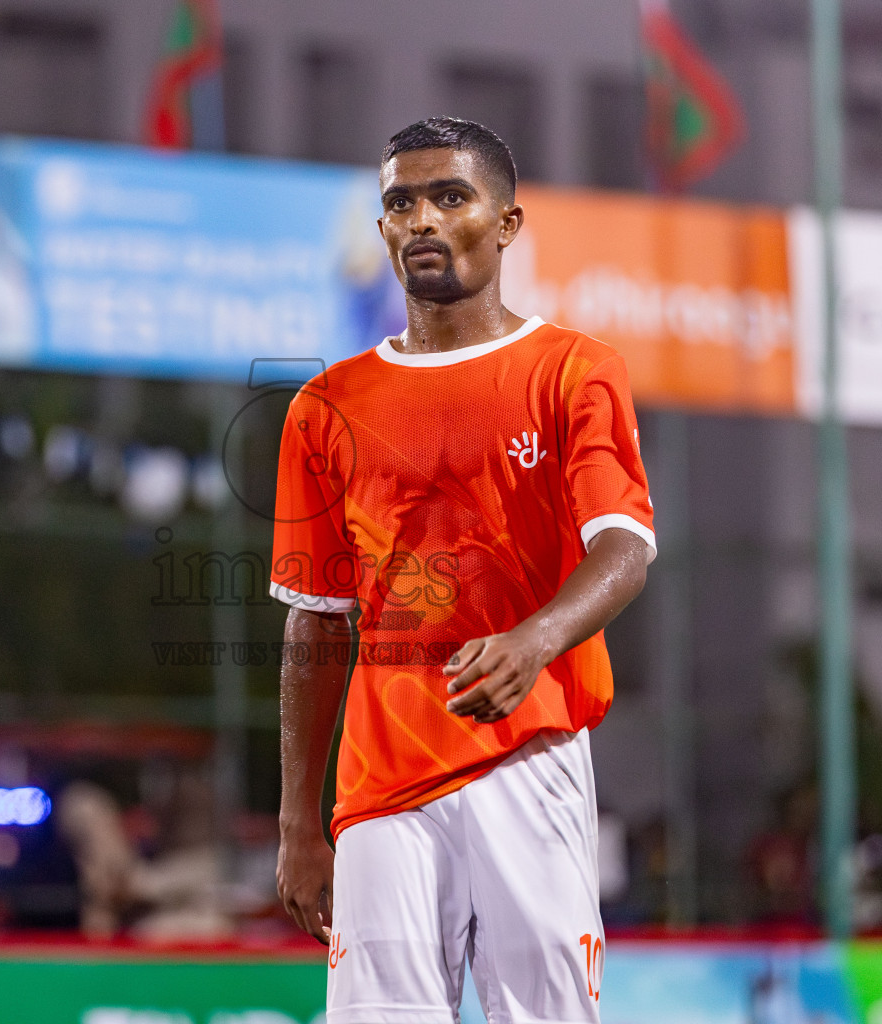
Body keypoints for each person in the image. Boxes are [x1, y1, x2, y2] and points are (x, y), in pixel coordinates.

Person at [270, 117, 654, 1023]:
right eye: (401, 202)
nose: (422, 220)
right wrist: (298, 820)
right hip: (380, 786)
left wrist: (536, 638)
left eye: (451, 197)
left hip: (532, 755)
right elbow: (316, 619)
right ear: (381, 230)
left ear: (508, 224)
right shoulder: (324, 408)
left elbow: (626, 546)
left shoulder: (573, 372)